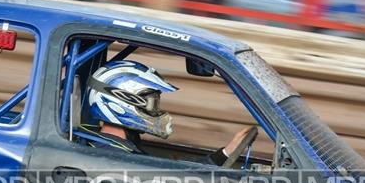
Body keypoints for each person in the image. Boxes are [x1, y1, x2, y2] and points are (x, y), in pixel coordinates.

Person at [77, 60, 254, 166]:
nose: (157, 111)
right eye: (153, 104)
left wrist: (225, 153)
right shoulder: (112, 157)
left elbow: (171, 173)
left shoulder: (113, 147)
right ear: (121, 101)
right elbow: (174, 182)